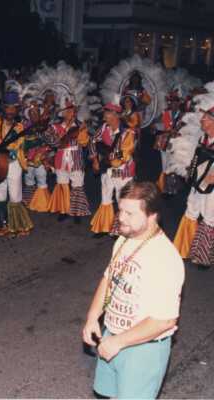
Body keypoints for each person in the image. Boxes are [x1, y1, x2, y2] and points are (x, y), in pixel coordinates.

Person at [82, 181, 184, 399]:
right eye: (121, 210)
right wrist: (93, 317)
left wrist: (118, 342)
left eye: (130, 213)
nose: (121, 218)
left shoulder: (165, 259)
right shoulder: (124, 240)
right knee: (107, 395)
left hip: (143, 349)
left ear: (152, 216)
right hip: (111, 335)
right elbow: (109, 278)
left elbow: (164, 321)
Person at [0, 92, 33, 237]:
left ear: (17, 109)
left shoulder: (20, 127)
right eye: (8, 108)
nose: (10, 111)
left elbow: (29, 142)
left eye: (13, 108)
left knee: (15, 193)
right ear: (3, 108)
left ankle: (16, 226)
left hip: (14, 163)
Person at [173, 106, 214, 270]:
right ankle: (183, 249)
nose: (201, 120)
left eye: (204, 118)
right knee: (191, 212)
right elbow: (197, 158)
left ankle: (203, 257)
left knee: (209, 218)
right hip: (198, 184)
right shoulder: (204, 139)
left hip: (212, 189)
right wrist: (191, 168)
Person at [89, 102, 136, 236]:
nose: (104, 114)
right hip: (107, 168)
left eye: (107, 112)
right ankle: (104, 227)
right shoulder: (104, 127)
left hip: (121, 170)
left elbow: (125, 153)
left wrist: (108, 156)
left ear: (115, 115)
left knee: (121, 199)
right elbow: (92, 140)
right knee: (105, 197)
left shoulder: (128, 132)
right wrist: (94, 159)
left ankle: (122, 230)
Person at [47, 101, 91, 223]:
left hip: (76, 158)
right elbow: (54, 143)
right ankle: (63, 210)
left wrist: (81, 131)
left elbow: (84, 142)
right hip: (61, 159)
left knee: (77, 185)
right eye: (70, 111)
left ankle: (77, 212)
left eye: (74, 110)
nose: (73, 113)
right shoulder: (55, 127)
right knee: (62, 184)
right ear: (63, 113)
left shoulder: (80, 126)